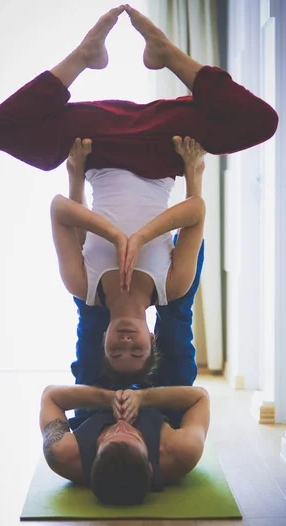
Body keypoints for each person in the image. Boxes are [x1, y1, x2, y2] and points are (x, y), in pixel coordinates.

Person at [0, 5, 279, 177]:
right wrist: (192, 171)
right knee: (262, 122)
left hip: (92, 144)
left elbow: (71, 219)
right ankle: (166, 52)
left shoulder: (87, 282)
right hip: (171, 144)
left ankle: (84, 55)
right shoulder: (168, 284)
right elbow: (193, 216)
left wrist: (75, 171)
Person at [51, 134, 205, 382]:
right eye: (136, 351)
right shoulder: (173, 286)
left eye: (115, 350)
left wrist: (76, 170)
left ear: (103, 340)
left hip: (101, 157)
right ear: (152, 339)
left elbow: (59, 208)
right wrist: (141, 237)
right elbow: (196, 208)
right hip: (159, 159)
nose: (125, 342)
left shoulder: (81, 285)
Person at [40, 382, 210, 505]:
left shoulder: (63, 452)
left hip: (96, 394)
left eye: (108, 436)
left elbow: (50, 395)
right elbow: (200, 397)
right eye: (135, 435)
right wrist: (143, 397)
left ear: (92, 461)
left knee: (101, 338)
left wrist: (107, 397)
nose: (121, 425)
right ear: (150, 466)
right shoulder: (182, 450)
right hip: (158, 388)